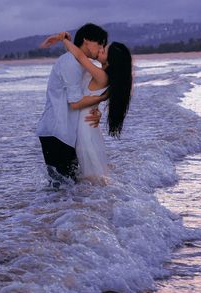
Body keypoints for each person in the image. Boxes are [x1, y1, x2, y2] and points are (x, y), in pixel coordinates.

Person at [40, 31, 133, 184]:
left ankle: (89, 202)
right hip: (85, 121)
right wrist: (98, 105)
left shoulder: (101, 75)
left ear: (111, 60)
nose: (101, 49)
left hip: (84, 125)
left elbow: (80, 57)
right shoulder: (103, 75)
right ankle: (87, 202)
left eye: (104, 50)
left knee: (88, 171)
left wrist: (64, 40)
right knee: (85, 170)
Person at [36, 23, 108, 187]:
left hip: (68, 133)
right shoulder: (70, 63)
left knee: (69, 189)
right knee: (61, 189)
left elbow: (86, 94)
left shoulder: (80, 64)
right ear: (87, 41)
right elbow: (75, 103)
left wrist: (96, 110)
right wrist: (103, 97)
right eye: (99, 44)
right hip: (57, 133)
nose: (101, 48)